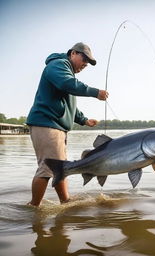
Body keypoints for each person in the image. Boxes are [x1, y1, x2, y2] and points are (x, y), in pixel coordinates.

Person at [26, 42, 108, 206]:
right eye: (84, 58)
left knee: (60, 168)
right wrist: (95, 92)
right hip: (46, 124)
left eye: (89, 62)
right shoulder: (58, 65)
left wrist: (84, 120)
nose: (85, 64)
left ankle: (65, 201)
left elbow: (70, 106)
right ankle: (33, 209)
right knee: (47, 168)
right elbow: (67, 84)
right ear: (72, 54)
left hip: (55, 127)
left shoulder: (68, 75)